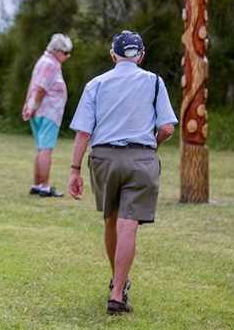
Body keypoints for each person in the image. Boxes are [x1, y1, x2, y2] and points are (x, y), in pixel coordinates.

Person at [67, 30, 177, 315]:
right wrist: (153, 144)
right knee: (128, 225)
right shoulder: (154, 82)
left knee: (111, 221)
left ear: (113, 54)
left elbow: (83, 132)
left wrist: (75, 170)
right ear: (141, 55)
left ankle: (118, 280)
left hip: (104, 159)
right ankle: (117, 293)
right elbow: (167, 128)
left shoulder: (96, 84)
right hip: (142, 159)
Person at [21, 33, 73, 197]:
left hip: (36, 110)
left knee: (40, 148)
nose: (67, 56)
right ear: (57, 50)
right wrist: (34, 104)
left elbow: (33, 84)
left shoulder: (42, 61)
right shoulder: (52, 64)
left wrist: (28, 104)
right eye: (66, 53)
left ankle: (37, 184)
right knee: (46, 149)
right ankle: (44, 186)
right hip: (48, 111)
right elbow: (42, 87)